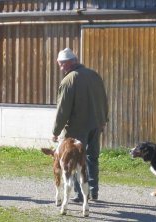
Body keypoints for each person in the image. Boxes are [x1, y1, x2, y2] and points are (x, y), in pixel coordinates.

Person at [52, 48, 108, 202]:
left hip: (77, 127)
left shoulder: (69, 80)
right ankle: (93, 191)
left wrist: (55, 131)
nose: (61, 68)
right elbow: (104, 99)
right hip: (96, 124)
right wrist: (104, 120)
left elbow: (63, 109)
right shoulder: (94, 75)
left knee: (74, 159)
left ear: (67, 63)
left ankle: (79, 193)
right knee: (92, 157)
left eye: (61, 64)